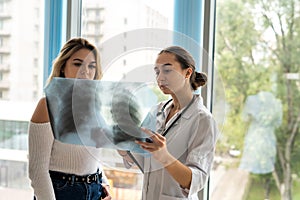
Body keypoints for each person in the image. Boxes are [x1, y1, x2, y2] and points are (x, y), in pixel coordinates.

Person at [119, 46, 219, 199]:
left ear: (188, 72)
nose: (160, 78)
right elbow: (145, 160)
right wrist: (125, 148)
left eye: (167, 70)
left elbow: (195, 181)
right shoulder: (157, 110)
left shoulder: (203, 119)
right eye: (157, 72)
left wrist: (164, 156)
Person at [28, 38, 112, 200]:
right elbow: (37, 171)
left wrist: (103, 182)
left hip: (94, 191)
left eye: (91, 66)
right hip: (63, 191)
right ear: (63, 67)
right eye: (77, 64)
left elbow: (92, 155)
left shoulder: (94, 108)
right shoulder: (47, 105)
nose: (85, 71)